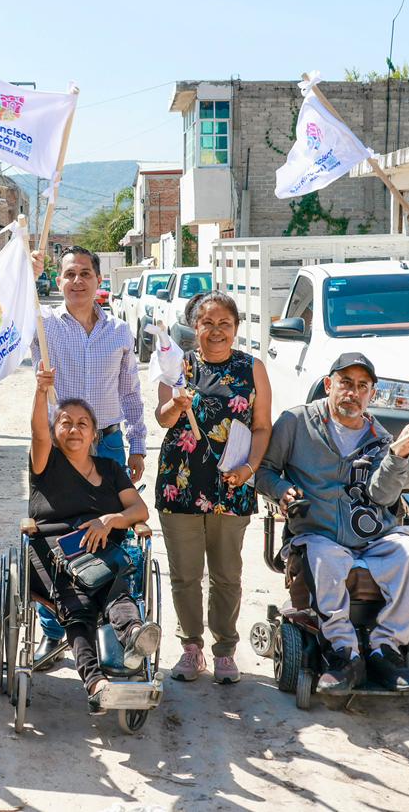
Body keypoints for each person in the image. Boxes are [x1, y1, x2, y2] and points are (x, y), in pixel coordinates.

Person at [257, 353, 409, 692]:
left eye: (362, 386)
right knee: (327, 557)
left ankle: (386, 650)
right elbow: (264, 471)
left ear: (372, 394)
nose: (353, 392)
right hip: (316, 533)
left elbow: (382, 498)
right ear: (329, 385)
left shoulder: (381, 439)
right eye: (345, 383)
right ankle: (344, 652)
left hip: (370, 536)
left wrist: (399, 455)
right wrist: (281, 490)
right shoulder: (295, 423)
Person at [27, 245, 146, 667]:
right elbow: (9, 320)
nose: (77, 281)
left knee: (113, 535)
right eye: (68, 274)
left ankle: (120, 629)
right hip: (60, 446)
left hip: (109, 443)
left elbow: (131, 391)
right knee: (53, 535)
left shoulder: (118, 331)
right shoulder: (43, 324)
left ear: (99, 281)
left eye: (85, 274)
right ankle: (53, 631)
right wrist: (28, 274)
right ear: (58, 282)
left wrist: (136, 445)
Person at [24, 365, 160, 713]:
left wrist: (111, 519)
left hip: (101, 554)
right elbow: (38, 433)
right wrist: (42, 392)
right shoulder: (46, 464)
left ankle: (132, 635)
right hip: (52, 552)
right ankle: (95, 680)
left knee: (115, 580)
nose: (73, 429)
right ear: (55, 433)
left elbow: (139, 510)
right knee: (77, 602)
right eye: (65, 423)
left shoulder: (111, 470)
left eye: (82, 423)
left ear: (94, 434)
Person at [153, 292, 272, 684]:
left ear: (236, 328)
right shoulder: (178, 365)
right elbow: (163, 419)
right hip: (181, 485)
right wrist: (176, 402)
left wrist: (249, 467)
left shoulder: (252, 368)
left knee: (227, 574)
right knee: (185, 574)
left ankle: (224, 651)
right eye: (208, 323)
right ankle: (191, 648)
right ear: (195, 327)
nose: (216, 331)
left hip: (232, 484)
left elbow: (261, 426)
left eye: (225, 324)